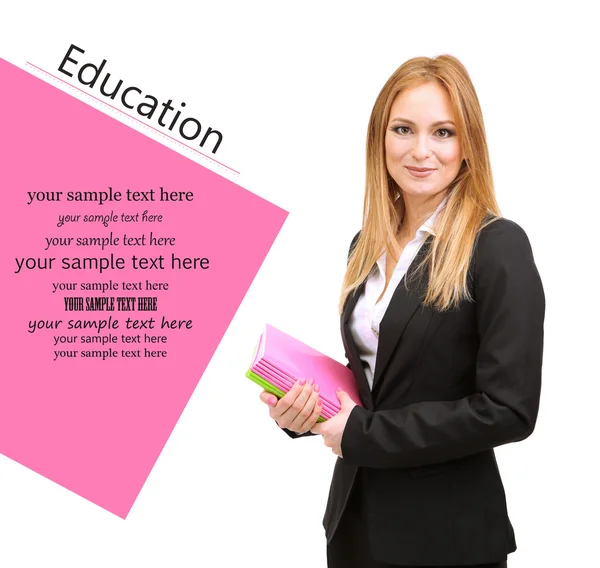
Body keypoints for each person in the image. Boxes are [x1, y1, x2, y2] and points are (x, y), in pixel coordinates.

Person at [259, 54, 545, 568]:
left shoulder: (497, 246)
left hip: (446, 539)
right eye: (403, 129)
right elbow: (379, 376)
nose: (420, 151)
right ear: (380, 138)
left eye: (442, 132)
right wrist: (308, 410)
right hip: (355, 523)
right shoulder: (365, 246)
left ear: (468, 147)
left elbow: (509, 409)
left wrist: (362, 434)